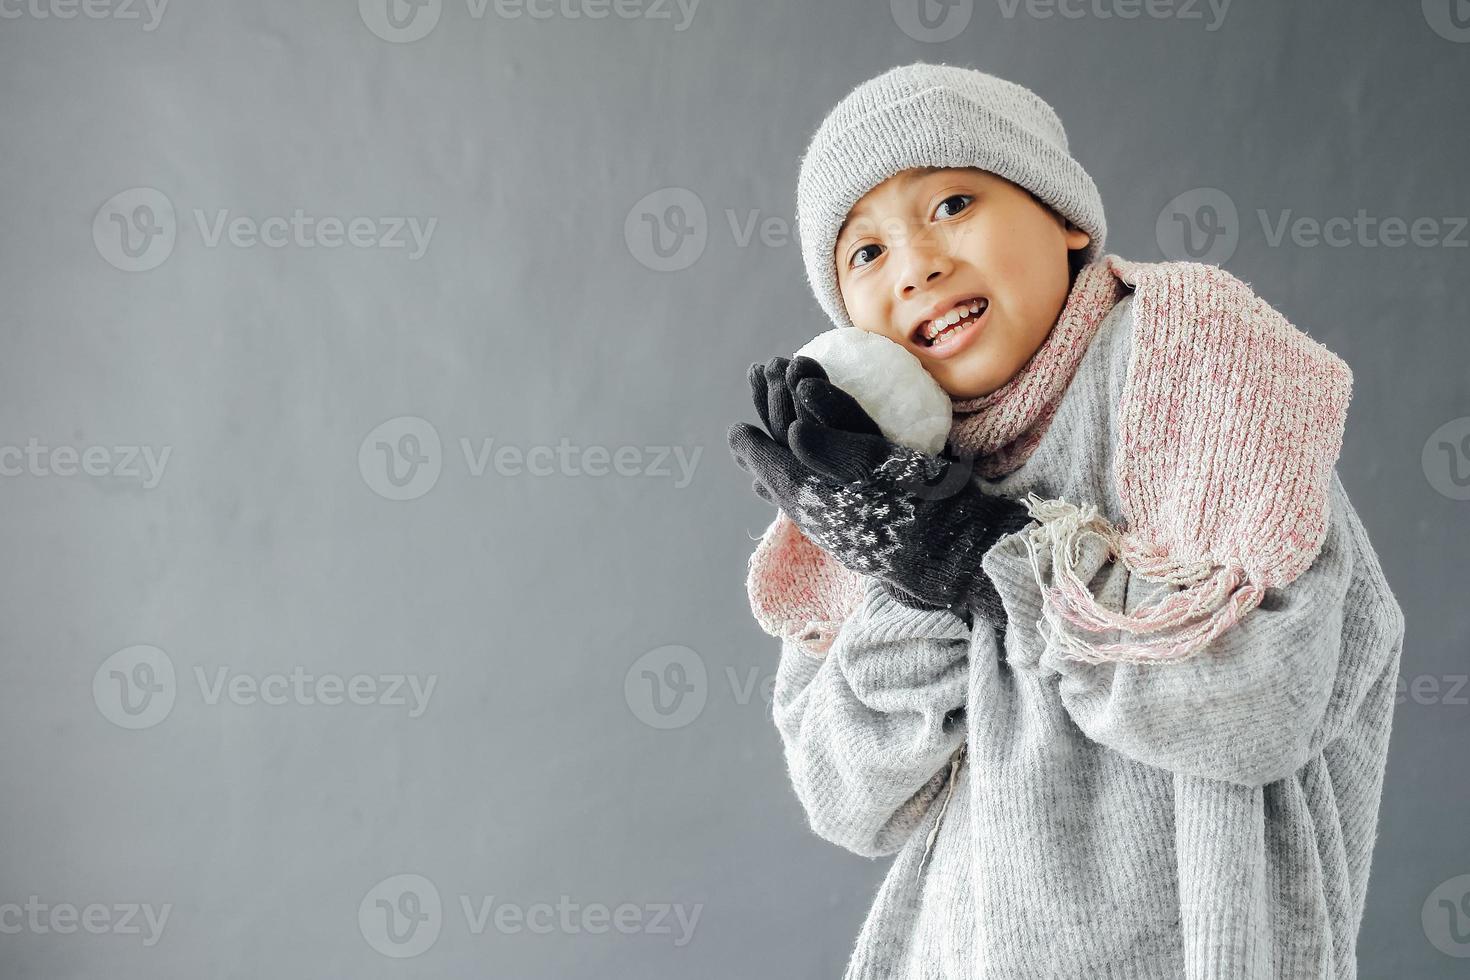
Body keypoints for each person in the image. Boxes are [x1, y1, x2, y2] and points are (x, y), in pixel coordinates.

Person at [726, 62, 1406, 979]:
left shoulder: (1202, 372)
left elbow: (1256, 703)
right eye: (866, 254)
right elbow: (849, 798)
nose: (917, 264)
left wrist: (981, 554)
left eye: (953, 203)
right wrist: (908, 565)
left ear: (1065, 214)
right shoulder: (879, 478)